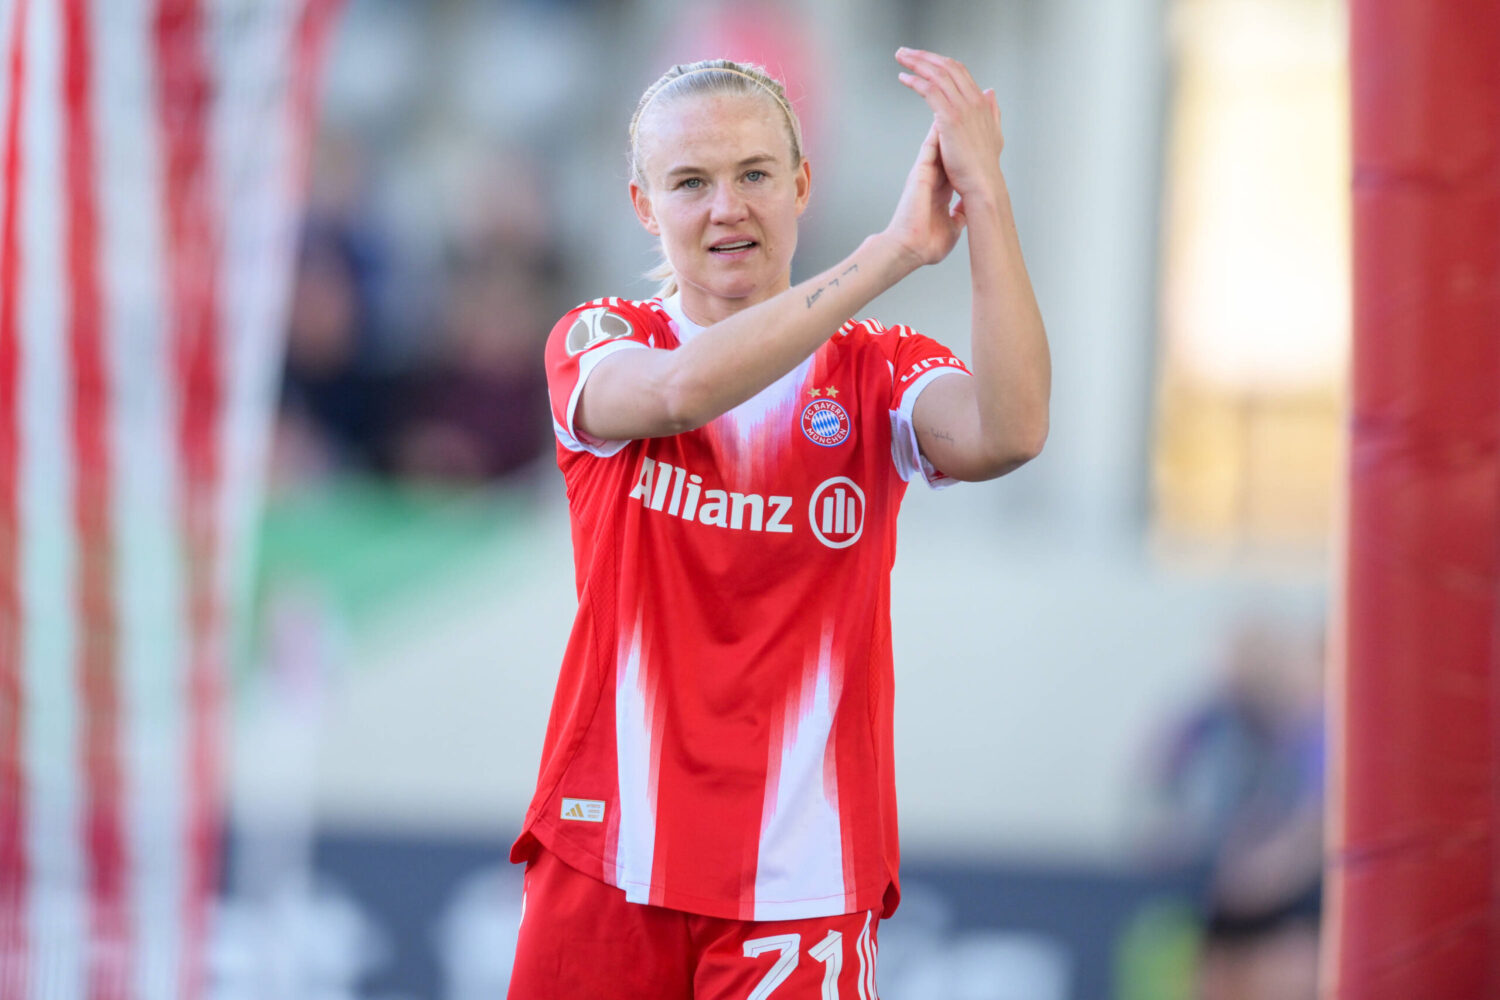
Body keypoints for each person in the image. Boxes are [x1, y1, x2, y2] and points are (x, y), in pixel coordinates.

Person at [508, 48, 1050, 999]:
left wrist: (985, 197)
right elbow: (681, 391)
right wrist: (893, 252)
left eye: (755, 174)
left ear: (801, 185)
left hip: (802, 881)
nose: (728, 207)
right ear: (644, 206)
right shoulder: (601, 338)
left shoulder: (879, 370)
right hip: (607, 855)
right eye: (691, 182)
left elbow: (1011, 431)